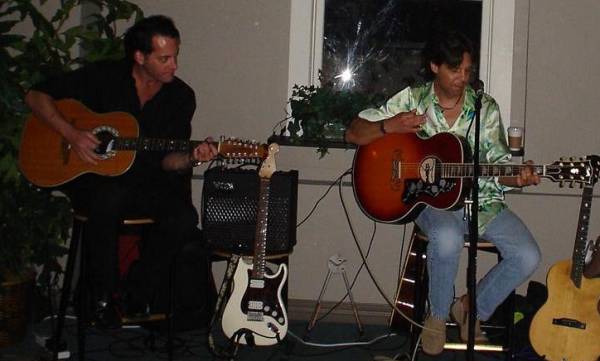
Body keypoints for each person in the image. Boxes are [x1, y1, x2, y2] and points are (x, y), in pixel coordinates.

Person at [345, 31, 541, 355]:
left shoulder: (484, 108)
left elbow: (498, 166)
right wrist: (388, 126)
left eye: (467, 70)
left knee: (528, 255)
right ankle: (436, 316)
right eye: (455, 70)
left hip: (481, 201)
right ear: (435, 66)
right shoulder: (412, 99)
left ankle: (471, 307)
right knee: (447, 235)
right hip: (430, 204)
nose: (463, 78)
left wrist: (518, 178)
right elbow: (354, 132)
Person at [25, 15, 217, 327]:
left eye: (175, 55)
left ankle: (136, 290)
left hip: (147, 183)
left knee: (183, 218)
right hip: (93, 178)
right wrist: (72, 134)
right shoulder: (103, 77)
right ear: (140, 57)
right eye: (164, 58)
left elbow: (169, 160)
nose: (174, 65)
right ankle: (102, 296)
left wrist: (193, 157)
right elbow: (35, 96)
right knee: (108, 196)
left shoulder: (181, 97)